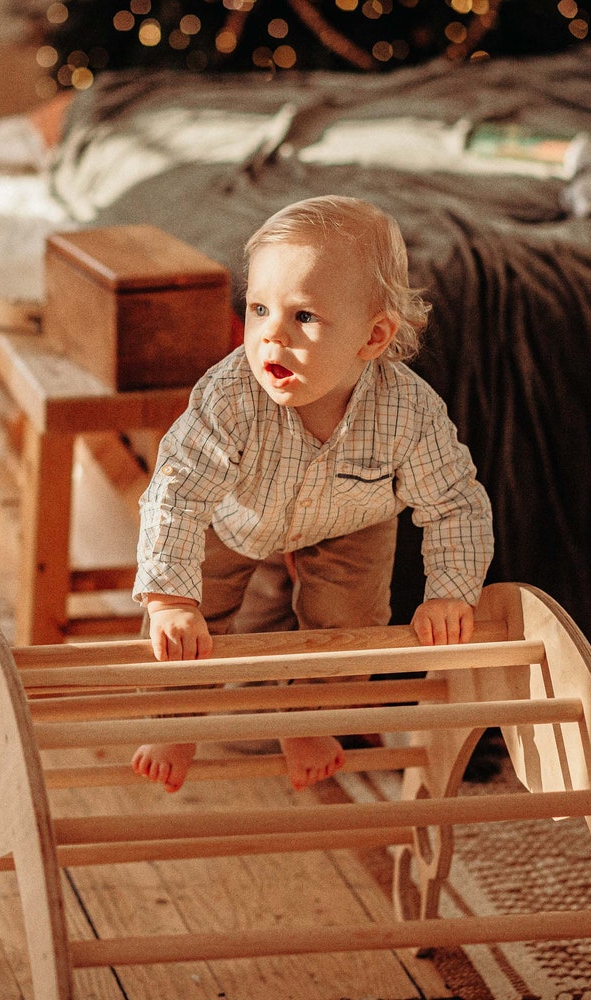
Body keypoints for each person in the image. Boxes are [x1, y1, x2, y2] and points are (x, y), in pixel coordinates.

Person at [131, 195, 494, 793]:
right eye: (258, 309)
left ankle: (310, 720)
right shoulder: (229, 398)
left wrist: (450, 593)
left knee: (349, 620)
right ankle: (175, 719)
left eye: (303, 317)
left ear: (373, 337)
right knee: (198, 614)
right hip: (234, 513)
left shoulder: (409, 413)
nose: (271, 334)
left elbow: (454, 500)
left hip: (352, 520)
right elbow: (175, 493)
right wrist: (170, 597)